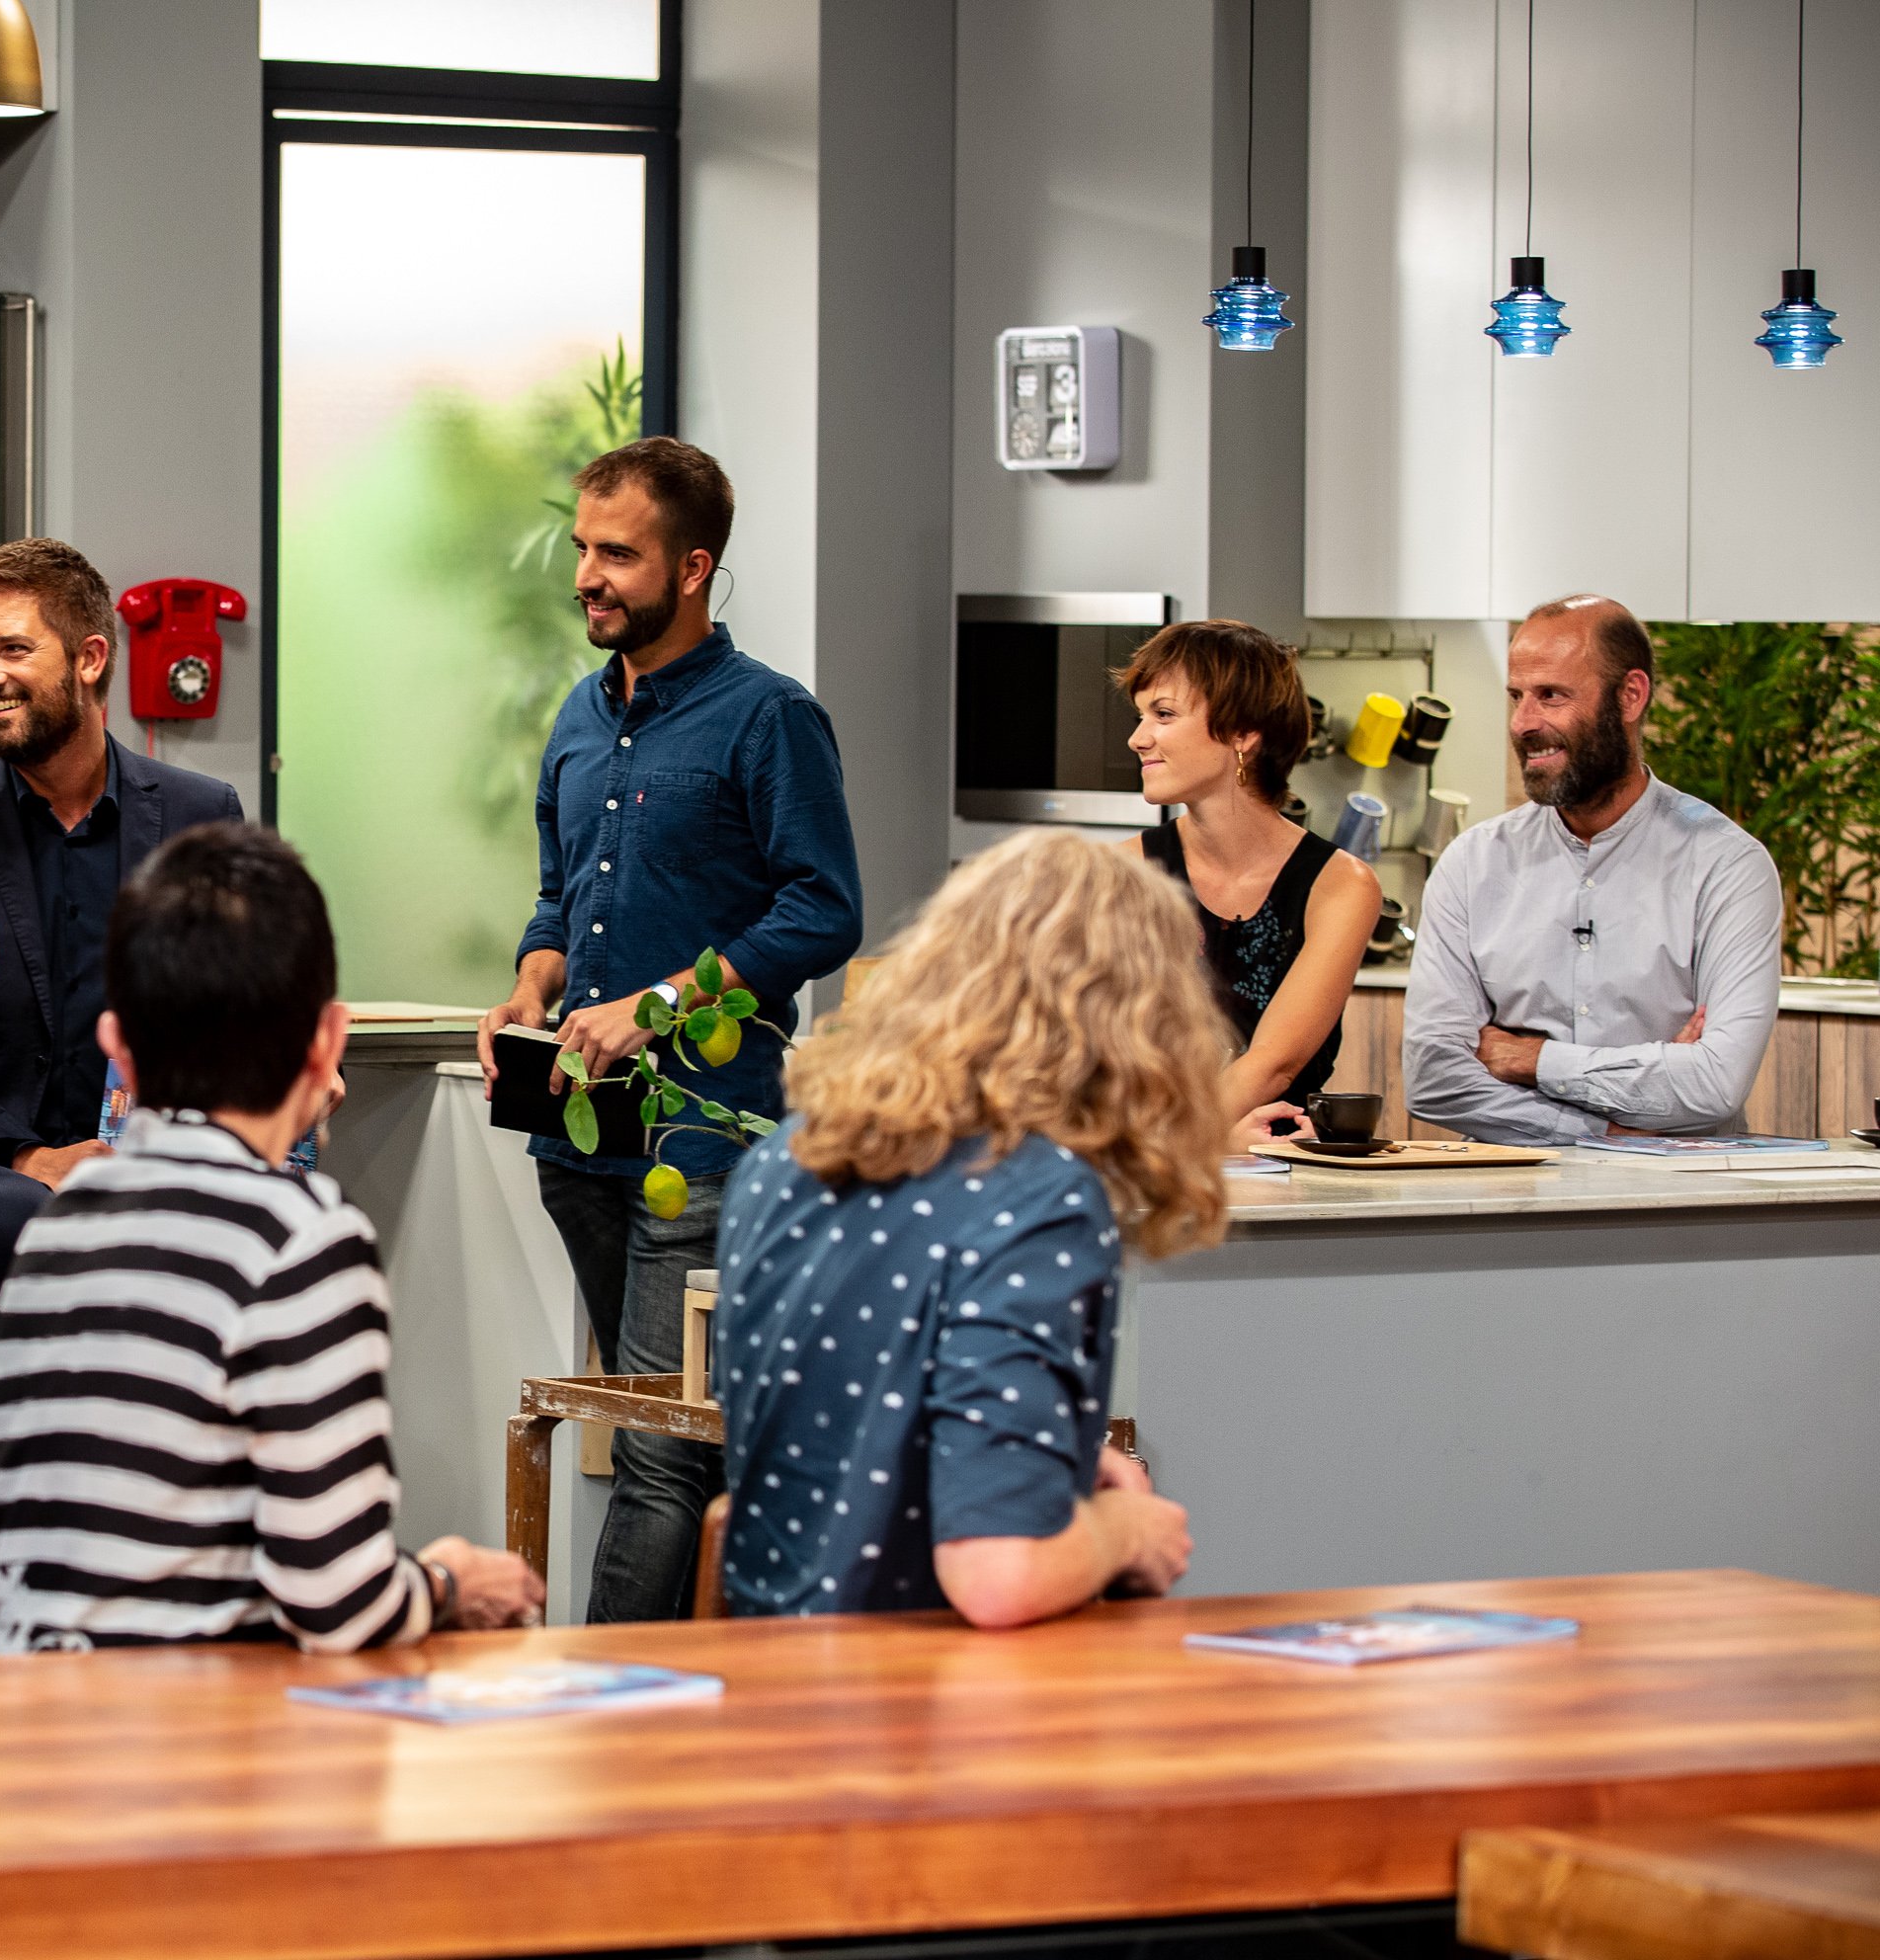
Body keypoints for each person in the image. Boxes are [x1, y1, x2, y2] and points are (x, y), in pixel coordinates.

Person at [0, 824, 543, 1651]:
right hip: (191, 1753)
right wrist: (449, 1580)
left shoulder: (57, 1226)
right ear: (326, 1045)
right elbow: (340, 1603)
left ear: (117, 1046)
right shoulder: (300, 1239)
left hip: (25, 1731)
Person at [475, 437, 863, 1623]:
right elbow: (557, 898)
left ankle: (611, 1725)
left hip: (703, 1141)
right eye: (585, 547)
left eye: (618, 554)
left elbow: (824, 907)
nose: (588, 574)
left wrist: (657, 1007)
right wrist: (531, 987)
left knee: (656, 1454)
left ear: (692, 568)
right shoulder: (579, 719)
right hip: (574, 1139)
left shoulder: (770, 719)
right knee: (695, 1436)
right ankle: (754, 1686)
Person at [711, 831, 1216, 1628]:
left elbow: (868, 1425)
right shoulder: (1039, 1197)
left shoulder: (783, 1160)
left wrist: (1057, 1464)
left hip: (773, 1666)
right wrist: (1122, 1531)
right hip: (918, 1700)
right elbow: (998, 1573)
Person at [0, 537, 244, 1513]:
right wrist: (30, 1158)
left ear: (91, 657)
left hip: (143, 1161)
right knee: (11, 1217)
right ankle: (14, 1523)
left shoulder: (203, 815)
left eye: (14, 650)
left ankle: (200, 1533)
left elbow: (250, 1006)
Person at [1404, 595, 1782, 1142]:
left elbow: (1714, 1085)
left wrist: (1531, 1060)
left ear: (1630, 696)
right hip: (1511, 1199)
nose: (1523, 723)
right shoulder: (1472, 863)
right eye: (1517, 697)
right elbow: (1434, 1078)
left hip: (1681, 1202)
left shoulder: (1727, 865)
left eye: (1552, 696)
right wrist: (1606, 1126)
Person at [1118, 619, 1379, 1124]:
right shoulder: (1124, 873)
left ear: (1243, 733)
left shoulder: (1341, 885)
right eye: (1140, 716)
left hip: (1287, 1168)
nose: (1137, 738)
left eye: (1164, 714)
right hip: (1149, 1162)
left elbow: (1274, 1065)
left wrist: (1188, 1144)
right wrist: (1198, 1147)